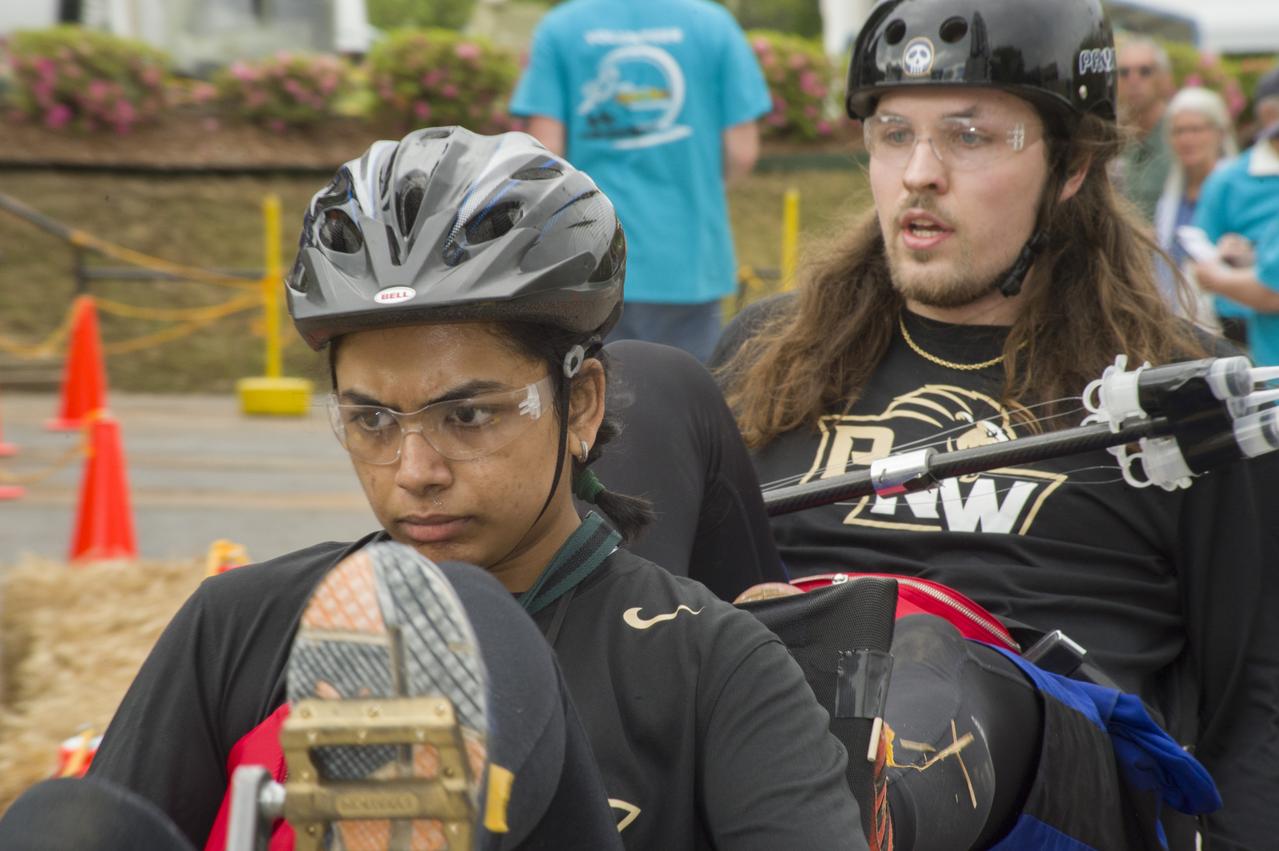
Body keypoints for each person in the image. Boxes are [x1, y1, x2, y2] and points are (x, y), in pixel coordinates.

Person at [85, 127, 866, 851]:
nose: (415, 469)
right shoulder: (236, 626)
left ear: (582, 403)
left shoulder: (715, 665)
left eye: (467, 413)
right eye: (371, 419)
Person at [712, 0, 1279, 848]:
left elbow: (1260, 695)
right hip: (776, 722)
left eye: (969, 136)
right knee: (645, 388)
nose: (918, 173)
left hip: (1045, 760)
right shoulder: (766, 353)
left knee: (923, 656)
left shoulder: (1181, 399)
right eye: (894, 132)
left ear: (1073, 164)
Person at [508, 0, 772, 363]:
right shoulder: (713, 25)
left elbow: (545, 154)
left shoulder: (561, 27)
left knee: (595, 402)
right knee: (682, 401)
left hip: (586, 259)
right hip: (687, 257)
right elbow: (742, 152)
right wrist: (699, 191)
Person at [1194, 64, 1279, 361]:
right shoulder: (1228, 179)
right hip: (1247, 343)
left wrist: (1216, 277)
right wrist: (1250, 258)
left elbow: (1273, 291)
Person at [1152, 87, 1236, 324]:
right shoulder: (1170, 198)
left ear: (1219, 133)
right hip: (1177, 322)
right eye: (1178, 131)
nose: (1187, 139)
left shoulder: (1237, 188)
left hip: (1228, 322)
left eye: (1196, 129)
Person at [1114, 35, 1175, 222]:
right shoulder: (1109, 137)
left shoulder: (1183, 131)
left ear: (1165, 79)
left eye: (1145, 71)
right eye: (1124, 72)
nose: (1133, 80)